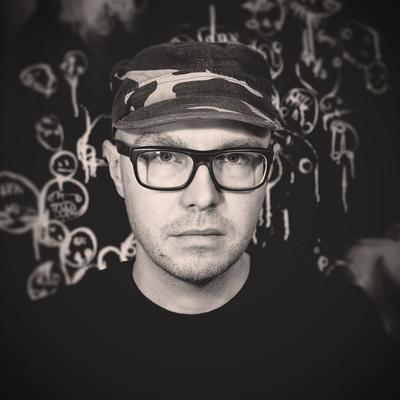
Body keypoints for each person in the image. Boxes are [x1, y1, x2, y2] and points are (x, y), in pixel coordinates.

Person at [3, 41, 399, 400]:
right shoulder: (44, 346)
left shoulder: (342, 328)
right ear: (115, 169)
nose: (203, 196)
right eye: (163, 156)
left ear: (269, 168)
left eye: (236, 157)